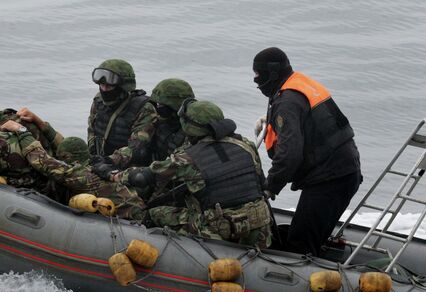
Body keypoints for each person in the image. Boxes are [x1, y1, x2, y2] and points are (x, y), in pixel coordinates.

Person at [102, 99, 272, 248]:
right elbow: (259, 181)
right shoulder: (246, 145)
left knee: (156, 213)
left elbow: (143, 176)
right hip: (260, 229)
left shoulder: (188, 158)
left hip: (221, 229)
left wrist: (112, 174)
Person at [252, 47, 361, 255]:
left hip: (329, 180)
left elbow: (289, 154)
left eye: (258, 74)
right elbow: (310, 124)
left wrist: (271, 186)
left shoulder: (287, 102)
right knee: (310, 235)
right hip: (344, 170)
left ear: (272, 73)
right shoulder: (298, 84)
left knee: (299, 246)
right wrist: (273, 123)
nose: (255, 80)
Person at [0, 121, 145, 220]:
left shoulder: (83, 176)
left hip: (132, 222)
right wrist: (40, 124)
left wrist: (22, 131)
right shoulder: (91, 166)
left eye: (62, 158)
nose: (59, 160)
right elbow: (61, 145)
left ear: (69, 158)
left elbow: (42, 162)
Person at [87, 59, 158, 169]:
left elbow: (137, 147)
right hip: (100, 161)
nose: (104, 90)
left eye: (109, 86)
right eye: (102, 85)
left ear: (123, 87)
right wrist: (93, 156)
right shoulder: (98, 101)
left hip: (129, 169)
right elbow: (92, 130)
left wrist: (109, 161)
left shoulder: (144, 108)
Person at [148, 78, 195, 161]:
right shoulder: (162, 121)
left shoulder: (192, 131)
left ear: (175, 106)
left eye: (161, 105)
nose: (157, 108)